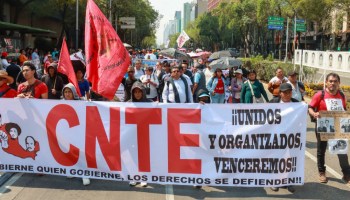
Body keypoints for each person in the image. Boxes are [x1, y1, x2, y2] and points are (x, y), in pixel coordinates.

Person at [308, 72, 350, 184]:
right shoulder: (319, 95)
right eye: (330, 81)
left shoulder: (342, 95)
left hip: (337, 126)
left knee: (341, 150)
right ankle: (322, 172)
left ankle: (347, 174)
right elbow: (310, 107)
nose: (333, 83)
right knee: (321, 150)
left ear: (339, 83)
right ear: (326, 82)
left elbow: (344, 111)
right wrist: (314, 114)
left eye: (335, 81)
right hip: (324, 125)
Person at [269, 83, 298, 193]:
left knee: (290, 159)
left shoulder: (297, 103)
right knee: (276, 159)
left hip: (292, 136)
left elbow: (308, 110)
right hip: (276, 136)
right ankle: (275, 181)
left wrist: (313, 112)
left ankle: (289, 181)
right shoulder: (273, 103)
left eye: (289, 92)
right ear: (280, 93)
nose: (287, 94)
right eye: (284, 92)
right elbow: (263, 115)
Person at [62, 83, 90, 185]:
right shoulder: (59, 103)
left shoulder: (81, 102)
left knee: (81, 154)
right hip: (67, 133)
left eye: (69, 92)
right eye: (65, 92)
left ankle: (85, 174)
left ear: (73, 92)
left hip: (79, 132)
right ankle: (73, 170)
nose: (67, 94)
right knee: (70, 152)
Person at [128, 82, 151, 187]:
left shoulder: (150, 103)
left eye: (139, 92)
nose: (137, 94)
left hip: (144, 134)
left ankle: (143, 176)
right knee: (132, 156)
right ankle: (134, 176)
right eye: (135, 92)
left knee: (143, 156)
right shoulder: (127, 104)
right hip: (131, 135)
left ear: (143, 92)